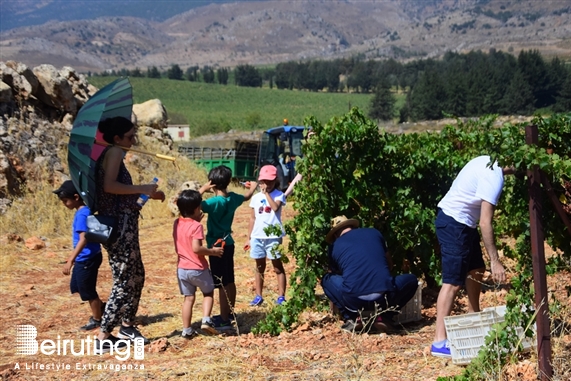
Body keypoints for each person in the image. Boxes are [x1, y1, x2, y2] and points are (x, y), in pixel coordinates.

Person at [94, 116, 166, 354]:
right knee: (124, 279)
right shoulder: (114, 152)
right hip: (120, 227)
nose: (133, 140)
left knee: (137, 275)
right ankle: (104, 335)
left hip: (126, 222)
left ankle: (127, 326)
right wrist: (141, 188)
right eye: (129, 136)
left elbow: (120, 197)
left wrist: (147, 195)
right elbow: (109, 187)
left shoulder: (114, 153)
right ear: (117, 138)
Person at [431, 155, 512, 358]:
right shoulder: (495, 176)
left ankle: (473, 315)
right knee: (452, 283)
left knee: (476, 269)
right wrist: (496, 260)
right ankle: (439, 342)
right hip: (454, 223)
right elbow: (485, 222)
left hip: (463, 223)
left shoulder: (487, 161)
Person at [322, 215, 419, 333]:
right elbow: (389, 264)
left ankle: (352, 318)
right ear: (352, 226)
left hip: (353, 300)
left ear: (336, 234)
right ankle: (385, 317)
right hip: (384, 298)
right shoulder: (374, 233)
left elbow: (336, 273)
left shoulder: (334, 246)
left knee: (327, 279)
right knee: (412, 280)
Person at [198, 165, 257, 330]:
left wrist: (202, 189)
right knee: (230, 280)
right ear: (228, 181)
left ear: (213, 185)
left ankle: (223, 319)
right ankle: (230, 312)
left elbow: (194, 203)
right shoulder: (233, 198)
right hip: (228, 243)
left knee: (221, 283)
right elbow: (246, 197)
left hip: (216, 246)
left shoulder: (213, 202)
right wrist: (252, 188)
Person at [53, 180, 105, 331]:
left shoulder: (82, 214)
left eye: (65, 201)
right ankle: (101, 307)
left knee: (88, 291)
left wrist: (71, 259)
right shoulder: (83, 211)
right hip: (85, 257)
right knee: (77, 286)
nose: (64, 204)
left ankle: (97, 319)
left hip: (87, 258)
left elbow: (84, 238)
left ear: (76, 197)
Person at [174, 190, 224, 338]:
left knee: (188, 298)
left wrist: (195, 221)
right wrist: (213, 251)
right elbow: (196, 248)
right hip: (198, 268)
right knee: (208, 293)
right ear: (196, 209)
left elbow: (185, 234)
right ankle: (206, 320)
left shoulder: (176, 223)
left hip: (182, 269)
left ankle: (186, 330)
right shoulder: (197, 227)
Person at [247, 165, 287, 306]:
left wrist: (266, 194)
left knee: (277, 266)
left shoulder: (278, 195)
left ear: (275, 180)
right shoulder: (256, 198)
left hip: (273, 236)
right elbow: (253, 218)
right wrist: (249, 237)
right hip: (258, 236)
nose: (267, 185)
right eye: (264, 181)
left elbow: (275, 208)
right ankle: (258, 295)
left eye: (269, 182)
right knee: (259, 266)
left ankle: (281, 296)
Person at [284, 129, 315, 198]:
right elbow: (299, 177)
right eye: (310, 138)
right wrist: (284, 196)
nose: (312, 140)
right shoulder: (307, 159)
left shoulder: (325, 157)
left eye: (314, 137)